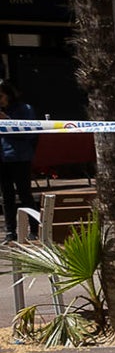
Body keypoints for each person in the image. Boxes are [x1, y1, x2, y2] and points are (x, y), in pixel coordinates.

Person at [0, 83, 37, 238]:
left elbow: (29, 134)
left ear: (8, 95)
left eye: (0, 96)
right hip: (2, 158)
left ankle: (34, 229)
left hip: (19, 157)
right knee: (6, 196)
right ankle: (10, 231)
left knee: (25, 194)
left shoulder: (24, 109)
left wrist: (7, 121)